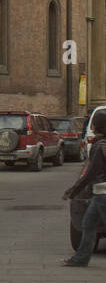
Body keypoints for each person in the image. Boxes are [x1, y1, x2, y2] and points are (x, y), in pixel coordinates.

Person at [62, 109, 106, 266]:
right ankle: (81, 259)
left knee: (89, 224)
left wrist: (73, 191)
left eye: (94, 123)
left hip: (102, 193)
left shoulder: (99, 145)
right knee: (88, 224)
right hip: (99, 194)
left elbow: (91, 173)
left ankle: (80, 258)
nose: (92, 126)